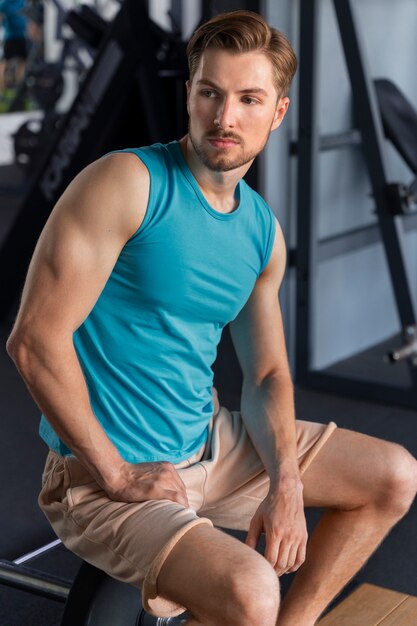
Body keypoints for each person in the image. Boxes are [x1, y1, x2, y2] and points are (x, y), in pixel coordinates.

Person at [6, 10, 417, 626]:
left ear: (277, 112)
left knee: (393, 476)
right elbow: (34, 341)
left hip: (208, 444)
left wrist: (286, 483)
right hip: (103, 473)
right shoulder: (127, 183)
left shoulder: (261, 234)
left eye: (249, 99)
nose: (226, 118)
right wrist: (116, 475)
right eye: (210, 94)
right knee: (253, 589)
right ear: (191, 95)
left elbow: (268, 374)